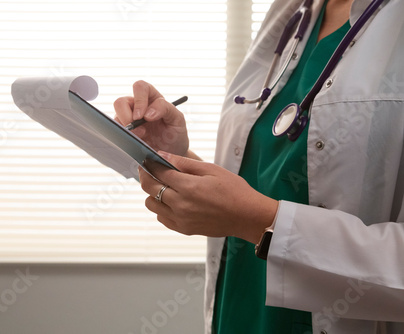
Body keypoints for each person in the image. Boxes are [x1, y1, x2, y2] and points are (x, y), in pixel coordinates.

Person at [114, 0, 404, 332]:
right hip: (239, 311)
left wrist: (255, 220)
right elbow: (263, 178)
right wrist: (178, 159)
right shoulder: (291, 12)